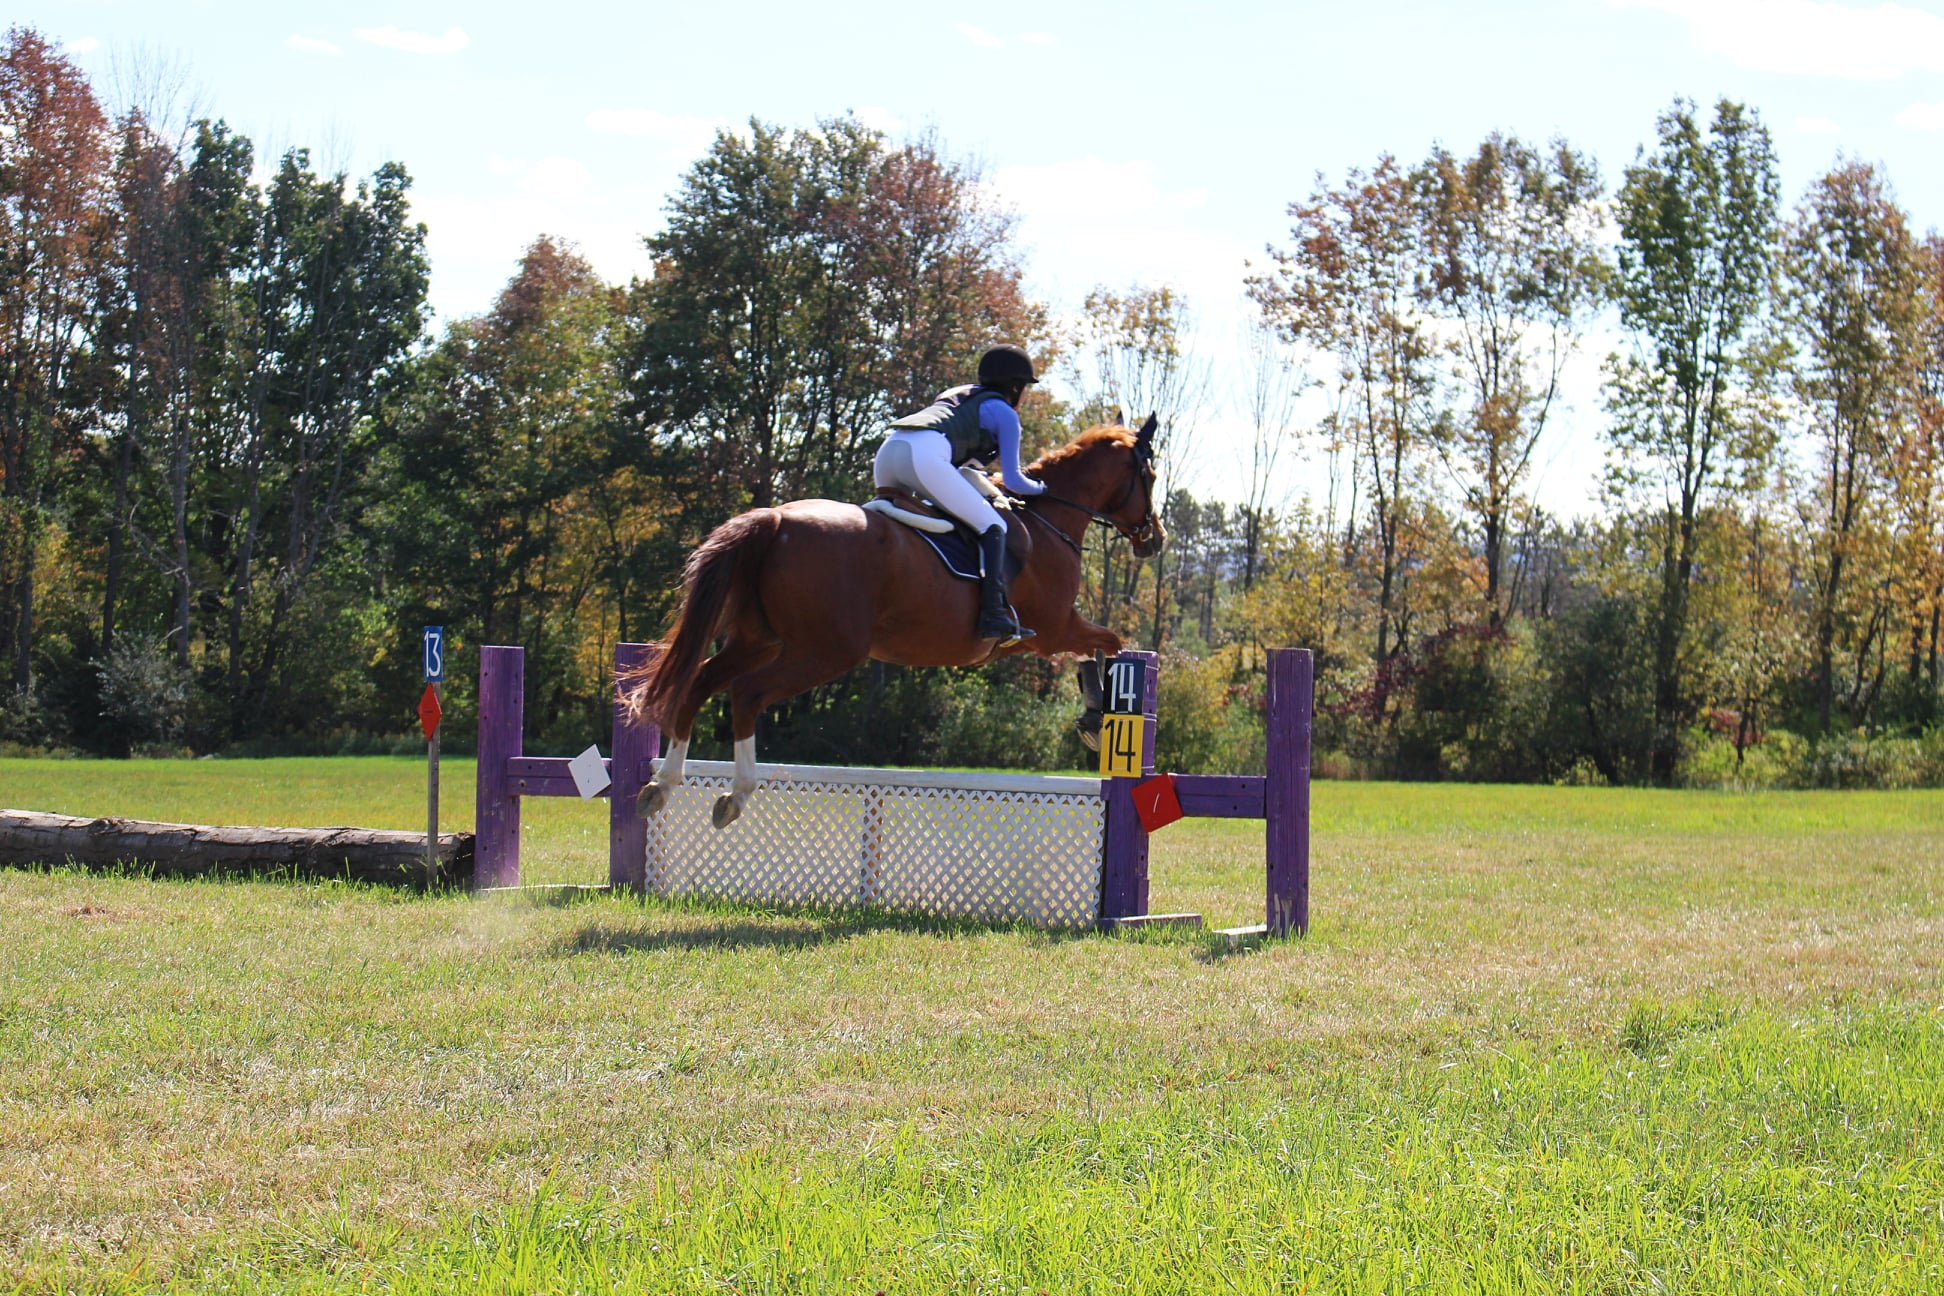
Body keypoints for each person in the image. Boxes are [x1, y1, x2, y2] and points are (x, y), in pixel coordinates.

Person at [874, 344, 1046, 643]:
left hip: (889, 452)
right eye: (1024, 390)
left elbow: (965, 472)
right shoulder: (1005, 414)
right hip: (924, 457)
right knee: (994, 525)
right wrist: (1043, 488)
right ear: (1016, 387)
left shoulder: (960, 394)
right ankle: (993, 614)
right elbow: (1015, 481)